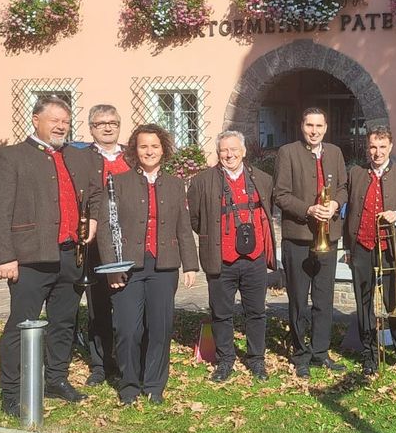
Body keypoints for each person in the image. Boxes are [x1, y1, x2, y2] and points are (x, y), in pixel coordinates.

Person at [0, 95, 101, 417]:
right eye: (55, 120)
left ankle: (55, 379)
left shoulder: (76, 157)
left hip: (70, 254)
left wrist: (93, 218)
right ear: (36, 119)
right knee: (21, 325)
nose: (61, 126)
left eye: (65, 121)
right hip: (29, 258)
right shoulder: (12, 157)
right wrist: (4, 257)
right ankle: (11, 390)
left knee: (64, 322)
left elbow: (96, 192)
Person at [98, 123, 198, 405]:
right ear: (134, 150)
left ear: (163, 149)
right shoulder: (118, 182)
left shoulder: (177, 185)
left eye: (155, 146)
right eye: (143, 146)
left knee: (160, 327)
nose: (149, 151)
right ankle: (129, 384)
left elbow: (183, 227)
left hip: (164, 267)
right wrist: (111, 267)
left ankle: (154, 385)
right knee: (128, 329)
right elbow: (106, 228)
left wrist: (190, 264)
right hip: (127, 268)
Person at [189, 130, 276, 382]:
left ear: (244, 151)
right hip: (220, 259)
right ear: (218, 153)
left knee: (257, 311)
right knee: (221, 313)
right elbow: (196, 219)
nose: (229, 155)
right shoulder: (202, 181)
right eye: (224, 150)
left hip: (254, 259)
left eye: (234, 149)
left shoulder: (262, 179)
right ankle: (225, 360)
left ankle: (256, 359)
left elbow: (267, 212)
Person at [273, 108, 348, 379]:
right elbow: (280, 194)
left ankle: (320, 351)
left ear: (326, 127)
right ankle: (300, 354)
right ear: (301, 126)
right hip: (299, 237)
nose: (314, 131)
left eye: (318, 126)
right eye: (309, 125)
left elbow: (342, 186)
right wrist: (309, 210)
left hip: (328, 236)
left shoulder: (336, 152)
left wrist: (336, 204)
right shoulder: (288, 152)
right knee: (298, 300)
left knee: (323, 298)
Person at [344, 126, 396, 376]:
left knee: (395, 301)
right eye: (373, 147)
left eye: (382, 147)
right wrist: (347, 247)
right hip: (361, 245)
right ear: (368, 148)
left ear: (391, 147)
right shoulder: (355, 173)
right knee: (363, 302)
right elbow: (349, 213)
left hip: (390, 246)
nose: (377, 152)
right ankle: (369, 353)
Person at [80, 104, 129, 386]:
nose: (108, 127)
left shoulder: (132, 156)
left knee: (126, 304)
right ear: (91, 128)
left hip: (126, 240)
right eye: (101, 123)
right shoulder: (81, 158)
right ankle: (100, 364)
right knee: (98, 305)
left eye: (113, 122)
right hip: (95, 241)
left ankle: (126, 360)